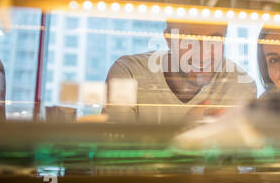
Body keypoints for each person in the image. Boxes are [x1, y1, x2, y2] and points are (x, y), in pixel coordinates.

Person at [103, 21, 257, 123]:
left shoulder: (239, 85)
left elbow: (230, 163)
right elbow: (113, 157)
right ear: (168, 40)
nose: (202, 54)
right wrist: (185, 129)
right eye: (189, 40)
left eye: (214, 40)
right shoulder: (129, 72)